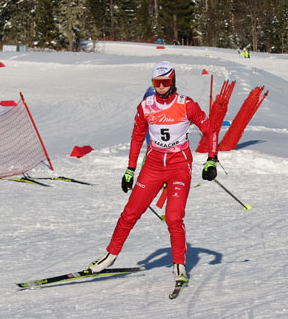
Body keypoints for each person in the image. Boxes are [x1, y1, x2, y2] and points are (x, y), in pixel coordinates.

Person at [89, 61, 220, 288]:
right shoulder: (145, 106)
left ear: (173, 82)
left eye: (165, 82)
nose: (160, 87)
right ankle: (110, 255)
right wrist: (130, 170)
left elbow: (210, 130)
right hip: (153, 165)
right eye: (156, 83)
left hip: (179, 165)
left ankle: (179, 264)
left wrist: (211, 160)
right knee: (130, 213)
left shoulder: (186, 105)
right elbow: (137, 137)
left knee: (173, 216)